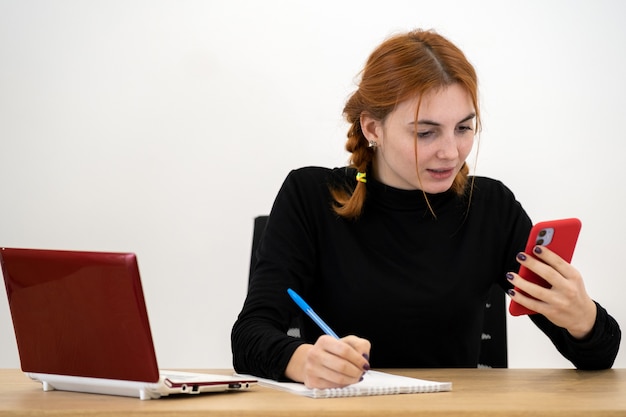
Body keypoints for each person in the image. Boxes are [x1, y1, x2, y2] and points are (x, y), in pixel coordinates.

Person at [231, 29, 621, 389]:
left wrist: (582, 319)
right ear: (372, 128)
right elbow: (250, 336)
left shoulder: (490, 208)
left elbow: (600, 356)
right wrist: (303, 360)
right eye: (425, 132)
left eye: (464, 128)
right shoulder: (310, 195)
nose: (450, 152)